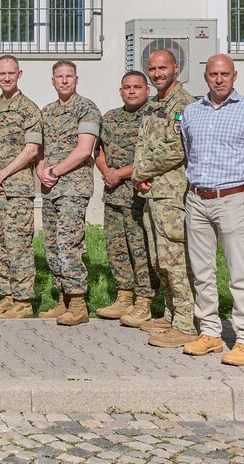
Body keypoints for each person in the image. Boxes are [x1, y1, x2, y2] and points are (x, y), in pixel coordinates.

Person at [180, 55, 244, 366]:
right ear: (205, 76)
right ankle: (209, 333)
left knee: (240, 272)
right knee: (201, 272)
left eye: (224, 74)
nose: (219, 79)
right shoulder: (192, 112)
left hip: (232, 199)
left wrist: (241, 187)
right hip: (197, 199)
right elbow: (188, 151)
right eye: (213, 74)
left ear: (235, 75)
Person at [131, 49, 197, 348]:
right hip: (151, 192)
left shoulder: (183, 104)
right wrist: (140, 177)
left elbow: (177, 148)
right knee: (159, 259)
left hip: (172, 195)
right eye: (152, 69)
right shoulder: (154, 104)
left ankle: (186, 322)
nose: (157, 73)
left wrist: (140, 171)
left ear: (176, 68)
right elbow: (143, 144)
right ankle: (171, 314)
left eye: (162, 68)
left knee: (175, 259)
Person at [36, 60, 100, 326]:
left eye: (69, 76)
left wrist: (54, 171)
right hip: (50, 188)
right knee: (51, 245)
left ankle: (78, 302)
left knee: (69, 244)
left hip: (73, 187)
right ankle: (62, 298)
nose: (64, 81)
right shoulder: (47, 111)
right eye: (59, 77)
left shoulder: (87, 108)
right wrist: (41, 169)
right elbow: (38, 148)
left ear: (76, 79)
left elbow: (85, 149)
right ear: (52, 80)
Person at [0, 55, 43, 320]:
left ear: (19, 74)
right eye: (2, 74)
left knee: (18, 246)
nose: (6, 78)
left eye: (11, 73)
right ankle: (8, 295)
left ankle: (24, 301)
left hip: (16, 189)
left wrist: (1, 174)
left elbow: (31, 150)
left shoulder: (29, 109)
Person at [93, 71, 157, 322]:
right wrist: (107, 172)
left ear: (147, 90)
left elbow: (151, 155)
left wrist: (119, 173)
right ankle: (124, 296)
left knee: (139, 248)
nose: (131, 91)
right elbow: (97, 148)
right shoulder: (110, 117)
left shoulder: (153, 117)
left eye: (137, 87)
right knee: (116, 247)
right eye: (127, 87)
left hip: (138, 196)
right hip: (113, 195)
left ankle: (144, 299)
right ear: (120, 91)